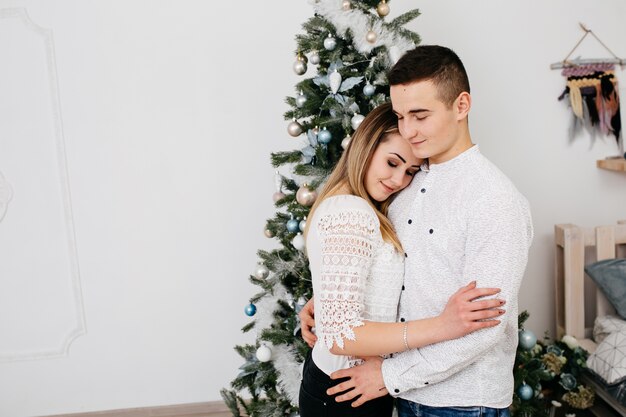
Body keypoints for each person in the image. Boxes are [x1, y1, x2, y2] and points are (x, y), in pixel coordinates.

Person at [299, 45, 534, 417]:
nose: (408, 130)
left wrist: (390, 375)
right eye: (400, 116)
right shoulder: (405, 184)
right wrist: (330, 302)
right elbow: (385, 269)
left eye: (420, 115)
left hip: (461, 403)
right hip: (398, 393)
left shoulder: (495, 199)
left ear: (461, 106)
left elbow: (486, 325)